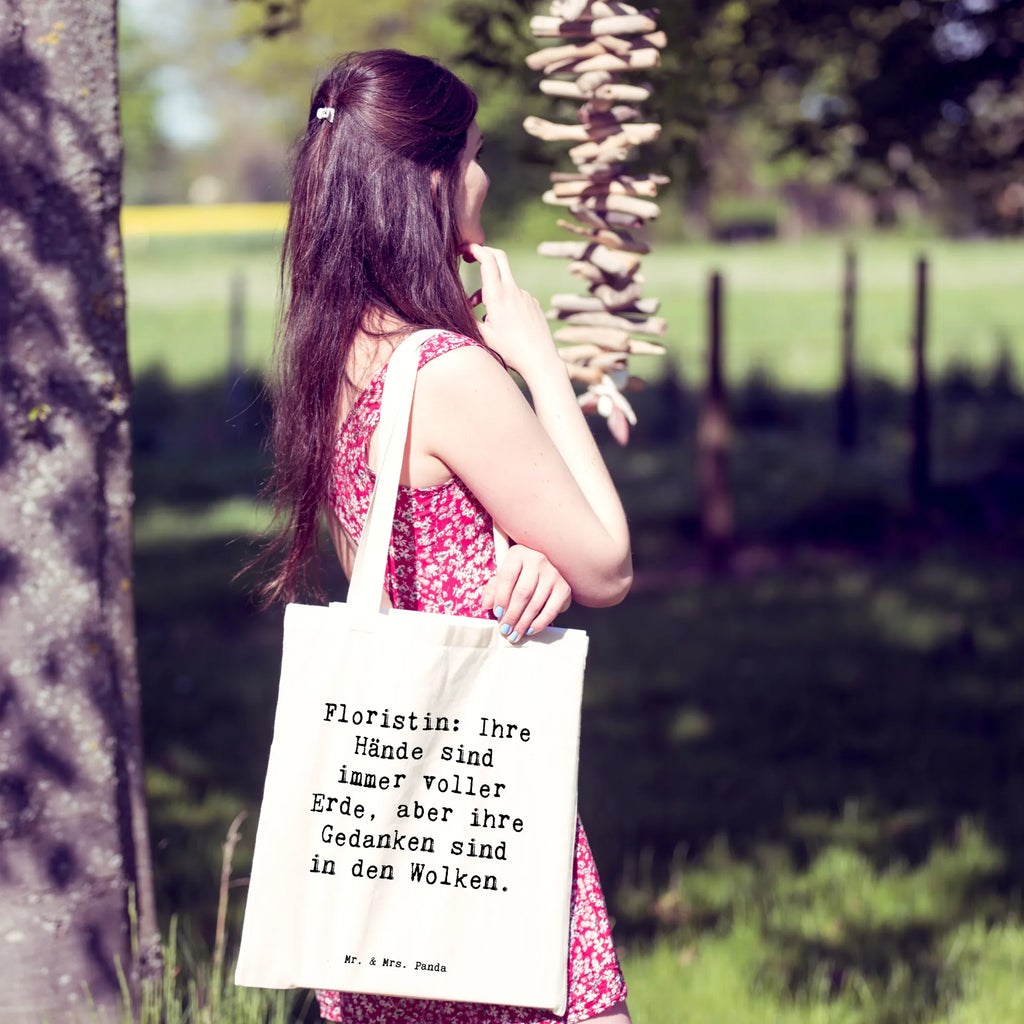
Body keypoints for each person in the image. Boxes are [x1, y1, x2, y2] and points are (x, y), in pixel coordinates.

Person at [261, 49, 633, 1024]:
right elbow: (608, 562)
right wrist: (541, 364)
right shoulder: (449, 372)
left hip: (387, 830)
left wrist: (515, 555)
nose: (484, 177)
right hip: (476, 820)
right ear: (429, 179)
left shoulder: (335, 352)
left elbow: (393, 554)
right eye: (471, 154)